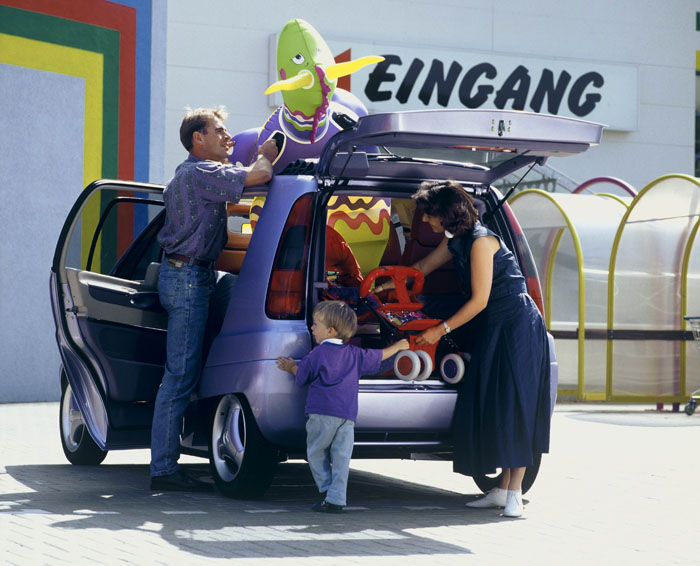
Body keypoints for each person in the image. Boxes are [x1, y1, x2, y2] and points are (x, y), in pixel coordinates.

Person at [373, 180, 551, 518]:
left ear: (446, 214)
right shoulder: (455, 239)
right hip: (495, 325)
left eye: (429, 214)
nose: (425, 220)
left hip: (517, 326)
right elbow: (421, 269)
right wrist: (383, 286)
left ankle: (514, 492)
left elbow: (479, 300)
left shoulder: (481, 242)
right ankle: (502, 490)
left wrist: (439, 330)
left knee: (514, 402)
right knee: (493, 401)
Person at [150, 106, 279, 492]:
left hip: (198, 275)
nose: (227, 137)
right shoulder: (200, 173)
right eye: (219, 131)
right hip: (188, 280)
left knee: (241, 294)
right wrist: (267, 152)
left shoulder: (194, 173)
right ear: (198, 138)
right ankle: (163, 469)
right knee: (179, 376)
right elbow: (260, 176)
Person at [276, 301, 409, 512]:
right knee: (341, 458)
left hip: (322, 414)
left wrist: (291, 366)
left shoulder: (317, 354)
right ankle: (336, 498)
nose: (312, 328)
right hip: (347, 415)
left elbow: (302, 377)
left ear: (330, 331)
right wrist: (399, 346)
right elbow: (379, 356)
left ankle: (328, 489)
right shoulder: (355, 354)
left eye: (315, 324)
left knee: (316, 453)